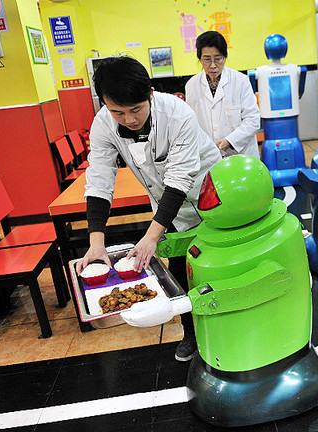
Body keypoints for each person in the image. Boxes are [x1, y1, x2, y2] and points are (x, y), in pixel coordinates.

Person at [75, 56, 221, 362]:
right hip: (169, 206)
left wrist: (150, 237)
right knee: (180, 268)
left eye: (136, 109)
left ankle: (223, 330)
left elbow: (180, 180)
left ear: (150, 95)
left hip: (210, 196)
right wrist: (96, 244)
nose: (128, 119)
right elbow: (99, 181)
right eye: (117, 112)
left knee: (216, 265)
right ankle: (191, 334)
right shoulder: (103, 124)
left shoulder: (178, 115)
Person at [185, 30, 261, 158]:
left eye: (218, 59)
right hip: (208, 155)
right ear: (200, 59)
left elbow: (253, 119)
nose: (213, 65)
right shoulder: (192, 85)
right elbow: (191, 123)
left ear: (225, 57)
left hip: (240, 155)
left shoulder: (240, 81)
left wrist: (230, 141)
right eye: (207, 60)